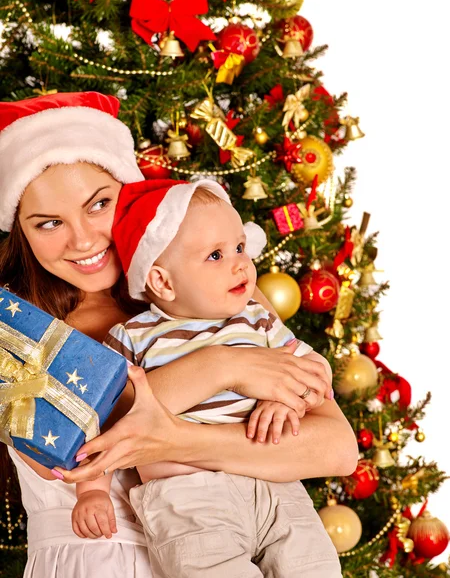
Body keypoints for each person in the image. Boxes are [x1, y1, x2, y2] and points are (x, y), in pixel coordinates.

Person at [0, 91, 358, 577]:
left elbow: (337, 448)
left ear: (130, 197)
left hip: (240, 542)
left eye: (100, 204)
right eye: (48, 223)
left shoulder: (220, 295)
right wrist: (224, 366)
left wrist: (175, 436)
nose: (81, 240)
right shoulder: (14, 329)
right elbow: (74, 446)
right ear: (20, 229)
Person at [71, 177, 343, 577]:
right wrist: (92, 493)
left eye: (239, 247)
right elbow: (101, 422)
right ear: (162, 280)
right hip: (188, 499)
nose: (240, 263)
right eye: (215, 255)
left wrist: (286, 396)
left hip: (276, 485)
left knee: (314, 566)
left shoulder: (258, 320)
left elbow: (315, 371)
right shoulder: (132, 338)